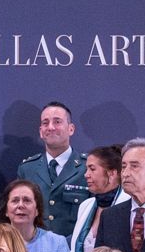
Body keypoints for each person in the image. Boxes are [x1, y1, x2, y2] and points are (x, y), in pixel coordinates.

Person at [14, 101, 91, 238]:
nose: (50, 127)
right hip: (34, 250)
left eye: (57, 122)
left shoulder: (88, 167)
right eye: (45, 123)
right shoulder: (27, 169)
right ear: (41, 132)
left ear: (71, 129)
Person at [70, 144, 127, 252]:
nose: (86, 175)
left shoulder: (128, 205)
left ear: (112, 173)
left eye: (92, 169)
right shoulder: (86, 205)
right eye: (87, 169)